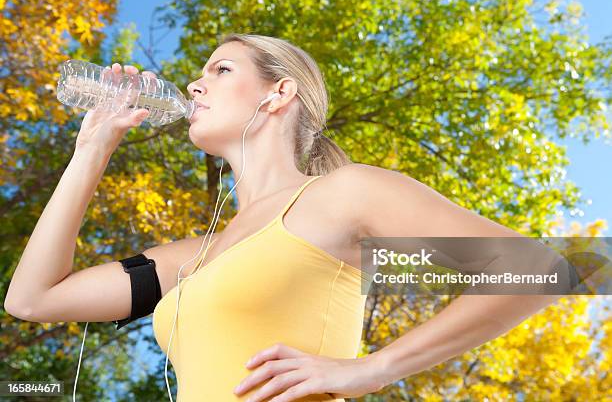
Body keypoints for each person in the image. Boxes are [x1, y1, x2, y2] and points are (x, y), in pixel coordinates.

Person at [5, 33, 567, 401]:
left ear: (279, 94)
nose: (195, 83)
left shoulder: (342, 195)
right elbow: (32, 300)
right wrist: (92, 151)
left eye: (220, 69)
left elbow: (541, 268)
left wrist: (370, 369)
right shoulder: (196, 257)